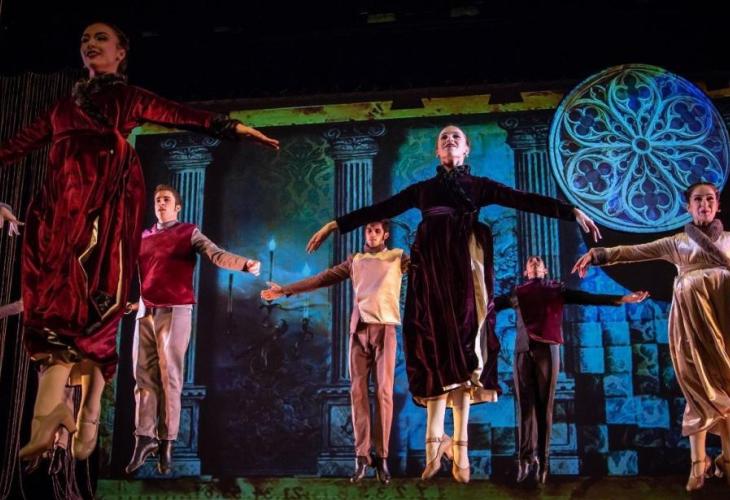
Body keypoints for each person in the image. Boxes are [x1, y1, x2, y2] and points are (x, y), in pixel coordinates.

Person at [0, 21, 278, 462]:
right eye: (84, 39)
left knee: (107, 321)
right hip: (60, 215)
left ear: (121, 53)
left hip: (105, 211)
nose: (90, 44)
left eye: (101, 38)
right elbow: (12, 147)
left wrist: (234, 128)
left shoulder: (127, 99)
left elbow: (182, 114)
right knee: (57, 310)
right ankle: (63, 416)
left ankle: (96, 417)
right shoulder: (60, 110)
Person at [306, 125, 602, 483]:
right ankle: (434, 446)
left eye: (455, 138)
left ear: (466, 150)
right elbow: (380, 208)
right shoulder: (423, 190)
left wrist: (571, 211)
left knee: (464, 355)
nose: (449, 140)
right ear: (437, 151)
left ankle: (460, 450)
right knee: (432, 352)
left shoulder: (479, 186)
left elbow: (524, 199)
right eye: (443, 138)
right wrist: (335, 225)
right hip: (430, 278)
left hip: (463, 278)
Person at [573, 181, 730, 491]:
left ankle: (727, 460)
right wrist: (599, 254)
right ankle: (698, 463)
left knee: (727, 385)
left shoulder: (728, 241)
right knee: (697, 388)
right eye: (698, 199)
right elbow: (636, 251)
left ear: (718, 205)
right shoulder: (677, 243)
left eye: (710, 199)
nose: (704, 204)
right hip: (691, 326)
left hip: (724, 322)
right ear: (688, 207)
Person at [125, 185, 260, 475]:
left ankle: (167, 441)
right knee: (143, 377)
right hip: (145, 312)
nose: (161, 204)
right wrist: (131, 303)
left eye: (166, 200)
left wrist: (244, 264)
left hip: (175, 311)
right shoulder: (143, 237)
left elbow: (215, 254)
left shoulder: (188, 232)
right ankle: (144, 438)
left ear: (177, 207)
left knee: (169, 377)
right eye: (157, 200)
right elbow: (141, 274)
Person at [262, 220, 407, 485]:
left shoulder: (398, 257)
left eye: (377, 231)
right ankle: (362, 457)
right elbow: (322, 278)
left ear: (385, 234)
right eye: (369, 230)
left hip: (385, 330)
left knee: (384, 393)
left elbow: (429, 267)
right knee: (358, 393)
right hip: (358, 331)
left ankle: (382, 458)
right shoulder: (356, 260)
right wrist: (285, 290)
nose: (372, 234)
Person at [494, 256, 648, 484]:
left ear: (545, 270)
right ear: (526, 272)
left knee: (544, 408)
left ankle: (543, 462)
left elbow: (587, 298)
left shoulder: (556, 290)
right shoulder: (517, 293)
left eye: (538, 262)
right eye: (530, 262)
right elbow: (490, 304)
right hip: (522, 353)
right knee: (525, 409)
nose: (534, 261)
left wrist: (622, 298)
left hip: (547, 351)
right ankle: (525, 461)